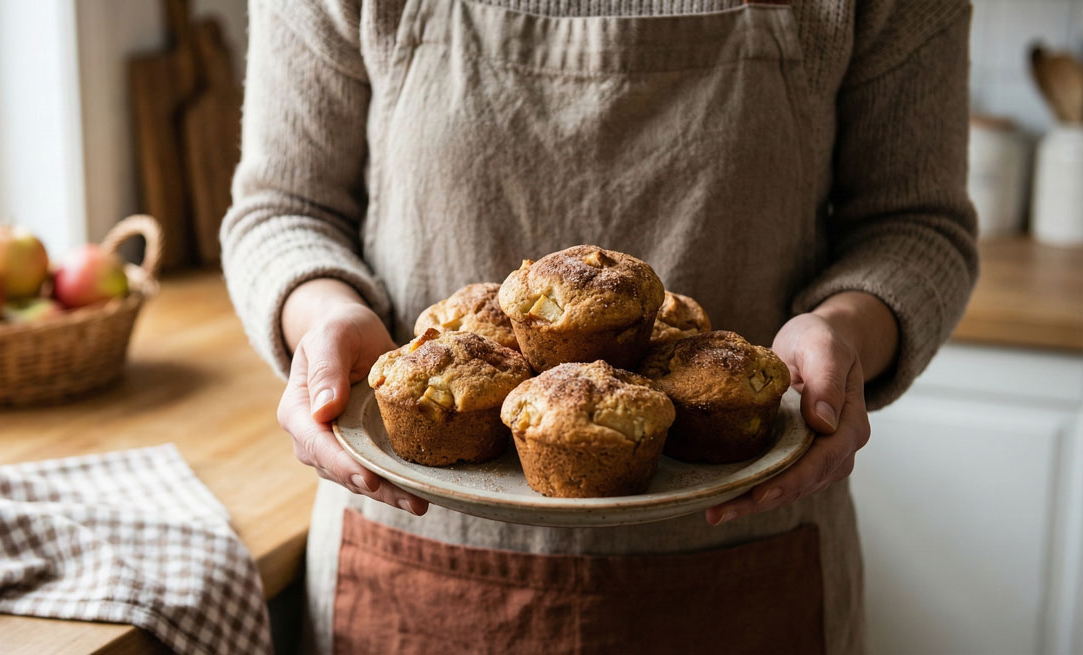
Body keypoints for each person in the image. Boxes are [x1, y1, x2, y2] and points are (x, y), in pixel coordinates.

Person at [221, 0, 978, 652]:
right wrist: (325, 312)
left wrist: (843, 329)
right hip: (418, 560)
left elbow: (915, 224)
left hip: (743, 552)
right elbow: (282, 209)